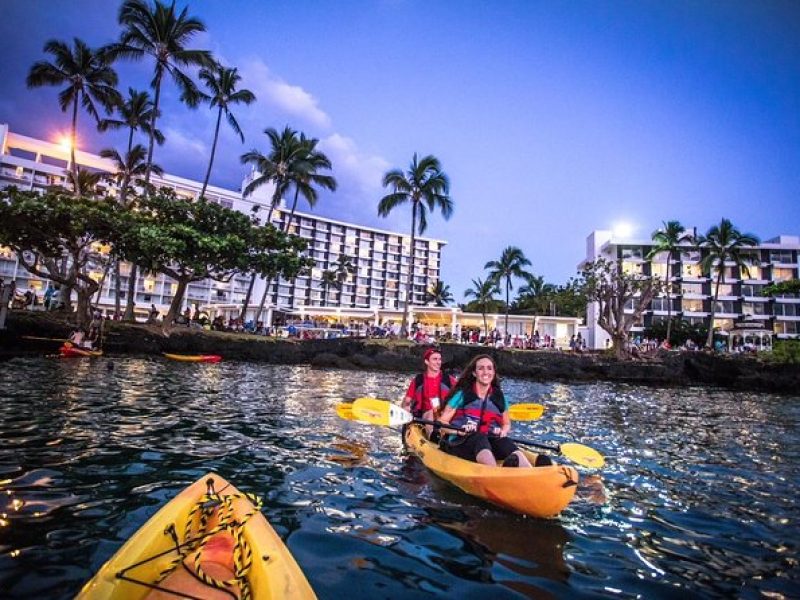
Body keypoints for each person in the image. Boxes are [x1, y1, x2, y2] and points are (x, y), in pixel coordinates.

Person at [438, 354, 552, 468]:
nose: (485, 372)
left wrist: (503, 431)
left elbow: (506, 424)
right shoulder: (462, 395)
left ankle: (530, 472)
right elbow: (442, 423)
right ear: (474, 373)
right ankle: (494, 472)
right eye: (480, 368)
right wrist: (458, 431)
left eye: (489, 368)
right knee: (479, 438)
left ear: (493, 373)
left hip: (489, 439)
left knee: (505, 442)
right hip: (460, 441)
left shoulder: (499, 397)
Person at [403, 347, 457, 439]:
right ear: (427, 362)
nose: (438, 362)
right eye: (435, 359)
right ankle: (433, 436)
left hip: (444, 415)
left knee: (438, 413)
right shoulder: (418, 380)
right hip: (424, 416)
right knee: (431, 413)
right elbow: (407, 401)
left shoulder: (449, 380)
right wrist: (405, 411)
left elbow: (462, 395)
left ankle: (444, 436)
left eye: (439, 359)